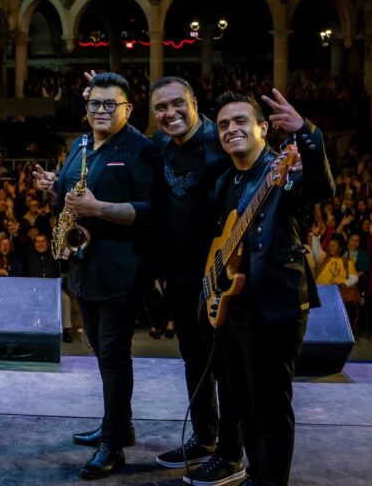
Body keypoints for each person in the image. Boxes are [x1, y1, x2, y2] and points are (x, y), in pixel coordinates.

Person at [34, 71, 158, 480]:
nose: (101, 111)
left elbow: (152, 210)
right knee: (101, 354)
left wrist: (99, 208)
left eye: (110, 105)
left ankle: (114, 445)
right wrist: (54, 185)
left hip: (120, 271)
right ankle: (116, 424)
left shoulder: (140, 149)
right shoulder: (81, 143)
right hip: (84, 265)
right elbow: (72, 191)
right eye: (95, 104)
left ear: (128, 109)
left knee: (114, 356)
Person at [209, 89, 334, 486]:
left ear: (264, 128)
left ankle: (270, 481)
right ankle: (256, 473)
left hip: (275, 302)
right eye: (224, 124)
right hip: (235, 303)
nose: (231, 128)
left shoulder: (285, 167)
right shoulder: (226, 182)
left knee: (270, 405)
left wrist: (308, 133)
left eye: (241, 120)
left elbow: (321, 188)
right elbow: (221, 240)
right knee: (243, 400)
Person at [139, 76, 245, 482]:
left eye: (176, 104)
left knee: (226, 365)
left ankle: (232, 455)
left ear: (194, 103)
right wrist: (104, 102)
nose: (170, 114)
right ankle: (205, 437)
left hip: (222, 274)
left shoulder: (220, 141)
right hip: (180, 276)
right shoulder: (161, 144)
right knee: (194, 359)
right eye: (161, 108)